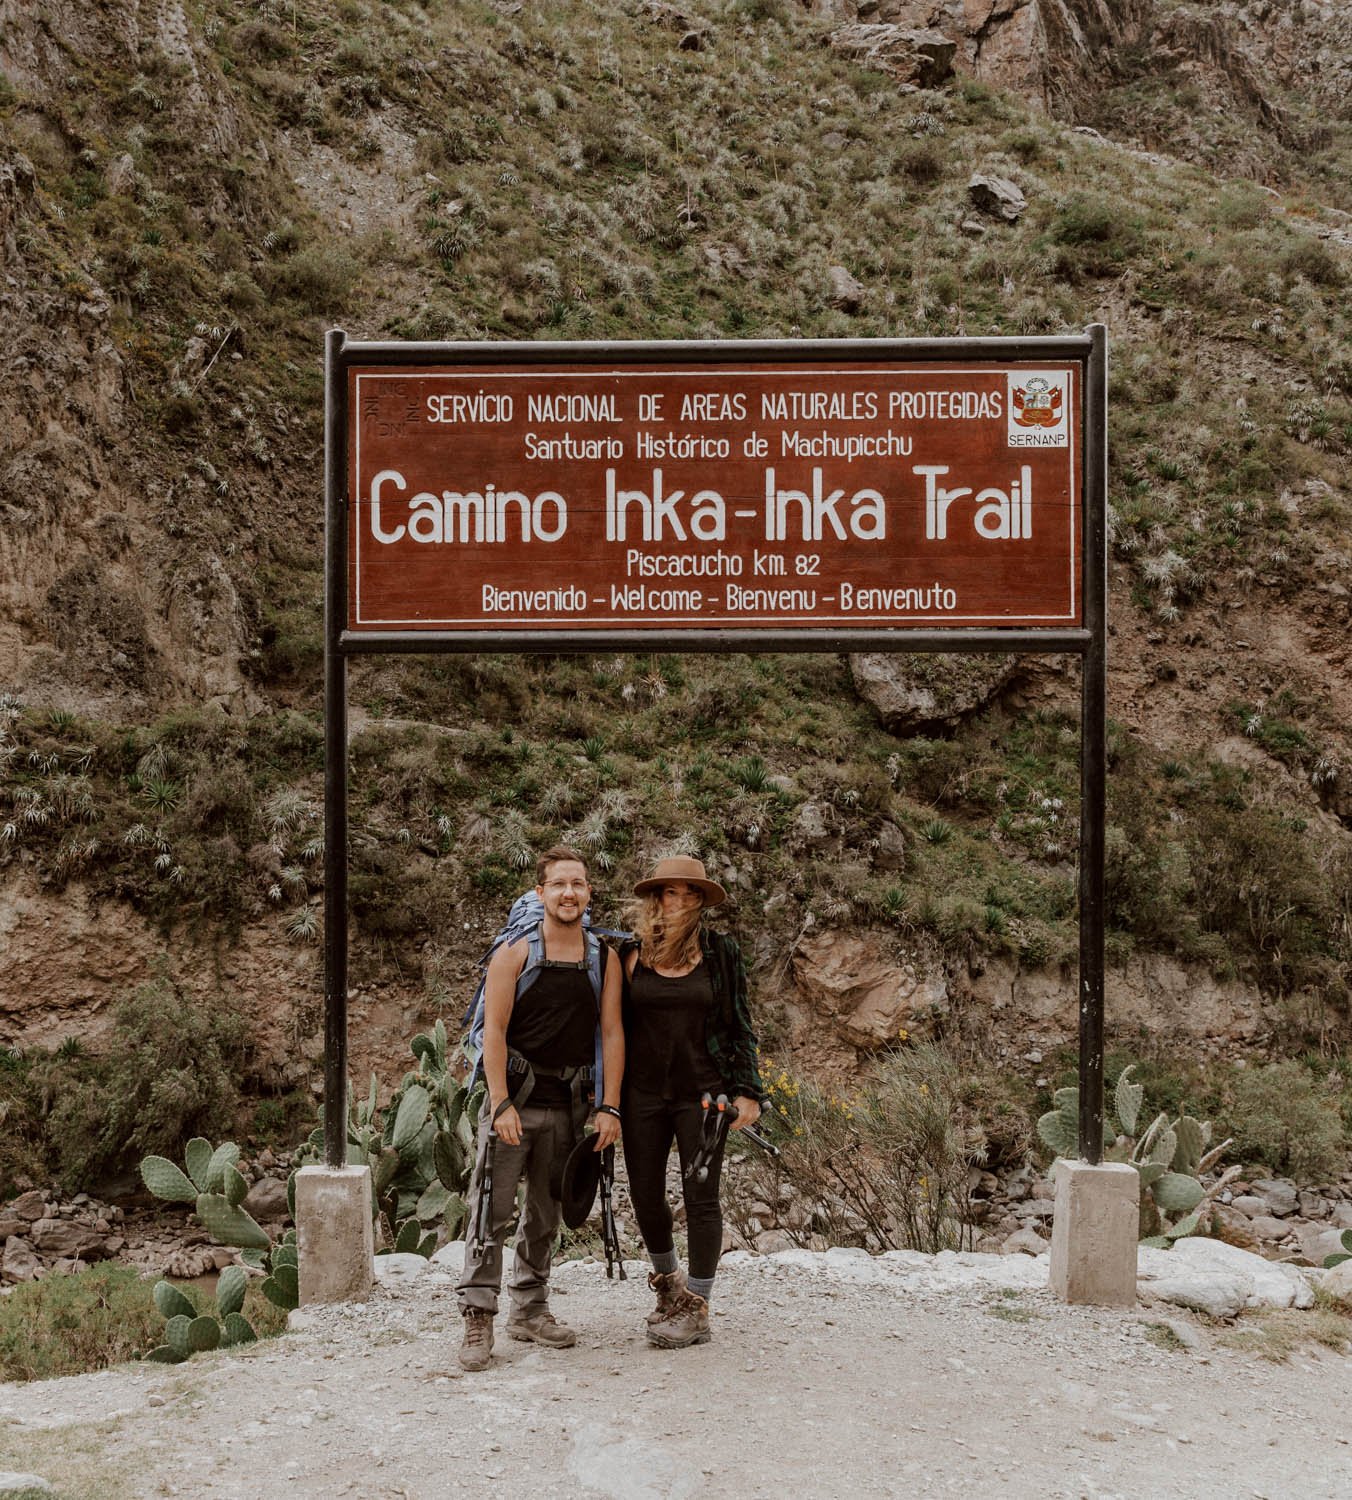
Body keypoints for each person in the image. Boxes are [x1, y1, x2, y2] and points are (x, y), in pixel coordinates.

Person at [456, 845, 623, 1371]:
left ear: (588, 893)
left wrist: (610, 1107)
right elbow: (496, 1033)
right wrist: (500, 1101)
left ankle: (530, 1308)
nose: (568, 893)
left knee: (546, 1213)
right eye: (558, 885)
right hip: (517, 1103)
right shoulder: (514, 955)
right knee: (490, 1209)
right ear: (541, 892)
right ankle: (478, 1313)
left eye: (577, 884)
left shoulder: (603, 958)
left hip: (571, 1107)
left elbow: (612, 1032)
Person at [619, 855, 764, 1349]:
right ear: (655, 899)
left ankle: (697, 1306)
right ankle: (667, 1283)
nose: (678, 902)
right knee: (643, 1193)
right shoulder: (631, 954)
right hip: (640, 1094)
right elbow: (612, 1030)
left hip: (704, 1095)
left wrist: (749, 1092)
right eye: (669, 893)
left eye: (689, 894)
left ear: (701, 902)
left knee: (701, 1197)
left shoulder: (720, 954)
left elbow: (741, 1025)